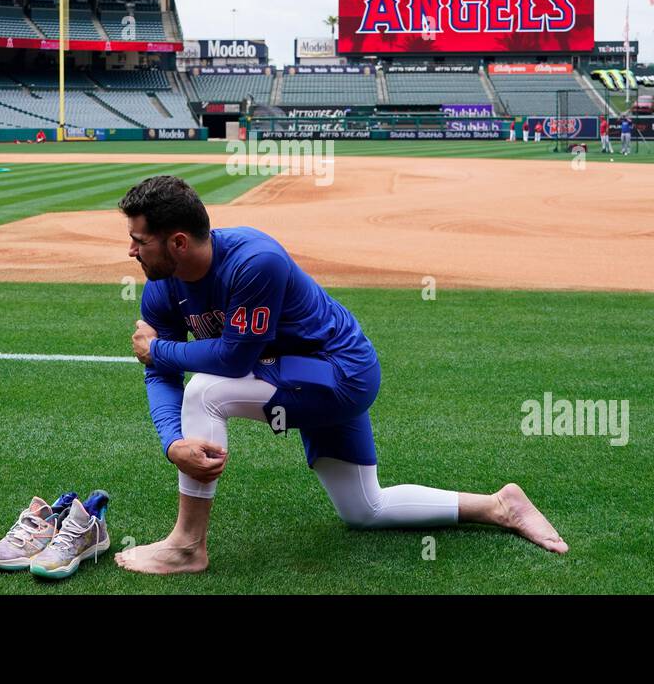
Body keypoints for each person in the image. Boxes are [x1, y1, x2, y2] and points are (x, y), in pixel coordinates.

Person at [115, 175, 568, 575]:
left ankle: (187, 547)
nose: (131, 249)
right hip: (294, 374)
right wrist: (173, 441)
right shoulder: (161, 289)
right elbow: (158, 373)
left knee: (206, 392)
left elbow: (232, 359)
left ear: (177, 242)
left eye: (140, 240)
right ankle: (499, 506)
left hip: (340, 373)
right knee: (363, 509)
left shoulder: (254, 261)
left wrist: (158, 349)